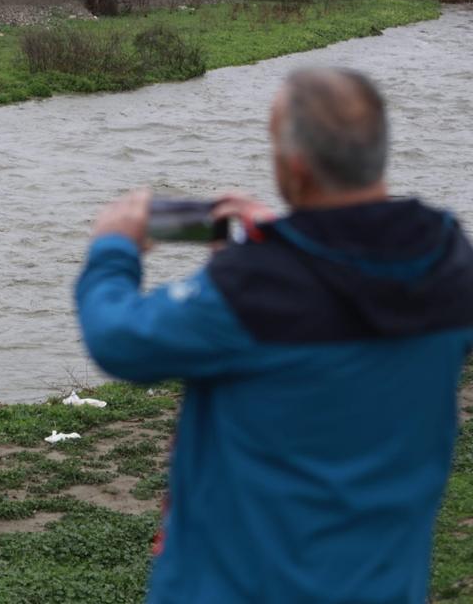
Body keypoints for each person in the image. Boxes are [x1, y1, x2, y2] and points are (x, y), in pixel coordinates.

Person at [75, 67, 473, 604]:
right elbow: (346, 275)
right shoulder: (447, 262)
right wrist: (284, 242)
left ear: (296, 166)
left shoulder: (253, 290)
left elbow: (119, 339)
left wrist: (113, 249)